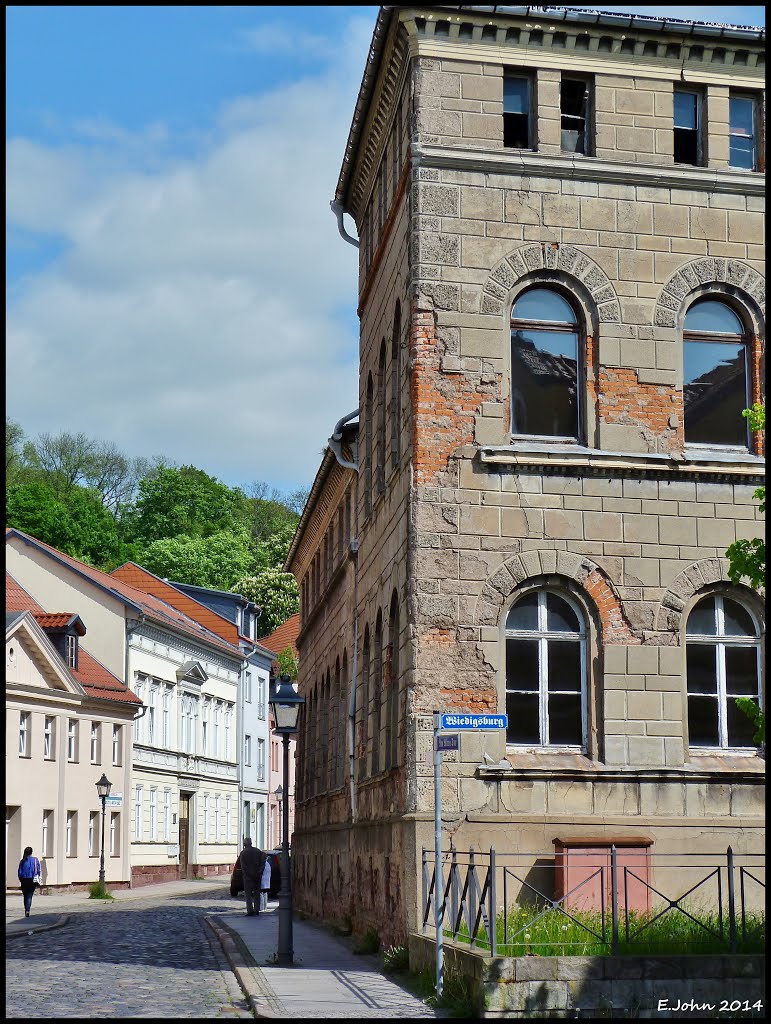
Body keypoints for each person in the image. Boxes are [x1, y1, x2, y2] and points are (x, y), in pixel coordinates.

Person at [239, 837, 266, 917]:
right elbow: (263, 862)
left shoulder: (243, 853)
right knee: (257, 893)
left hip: (248, 877)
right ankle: (257, 910)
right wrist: (260, 872)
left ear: (244, 844)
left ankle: (250, 910)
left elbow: (243, 866)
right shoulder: (258, 851)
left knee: (248, 894)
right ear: (251, 843)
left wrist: (247, 874)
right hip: (257, 876)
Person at [18, 846, 42, 918]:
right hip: (32, 880)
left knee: (25, 895)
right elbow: (38, 870)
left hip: (24, 880)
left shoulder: (23, 861)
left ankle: (26, 908)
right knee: (29, 895)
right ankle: (27, 910)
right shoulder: (35, 860)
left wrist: (20, 878)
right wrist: (38, 877)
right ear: (31, 852)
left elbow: (19, 871)